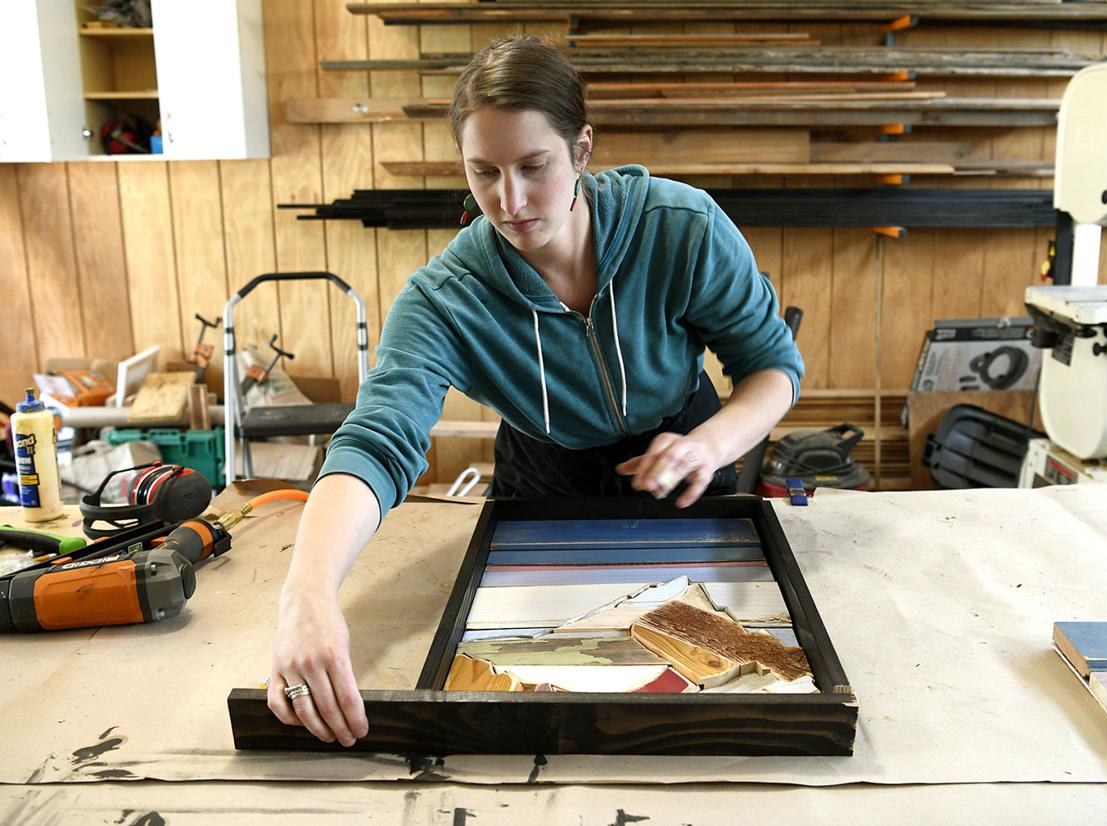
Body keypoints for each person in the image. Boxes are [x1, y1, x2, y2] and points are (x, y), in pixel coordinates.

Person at [267, 36, 806, 746]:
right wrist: (306, 595)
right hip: (542, 473)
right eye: (483, 172)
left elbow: (772, 366)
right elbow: (375, 442)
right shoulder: (444, 300)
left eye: (533, 167)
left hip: (688, 456)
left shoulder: (680, 227)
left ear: (582, 150)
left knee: (705, 667)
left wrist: (713, 442)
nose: (510, 201)